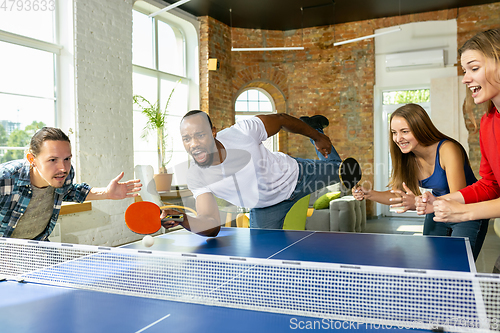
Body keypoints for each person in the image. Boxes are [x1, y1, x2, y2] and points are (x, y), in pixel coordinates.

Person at [160, 110, 342, 237]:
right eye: (187, 138)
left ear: (213, 132)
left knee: (343, 171)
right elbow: (210, 224)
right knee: (262, 261)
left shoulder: (243, 132)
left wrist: (317, 137)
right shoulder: (196, 176)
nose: (193, 144)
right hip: (265, 208)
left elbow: (281, 119)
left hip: (296, 177)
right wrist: (180, 218)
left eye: (200, 135)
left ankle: (315, 127)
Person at [352, 103, 488, 260]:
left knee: (458, 267)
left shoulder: (448, 149)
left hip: (467, 211)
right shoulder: (406, 156)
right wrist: (369, 194)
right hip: (436, 210)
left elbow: (458, 198)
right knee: (433, 263)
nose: (398, 138)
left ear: (420, 128)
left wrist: (417, 202)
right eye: (394, 133)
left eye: (404, 131)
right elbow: (398, 196)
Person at [415, 28, 500, 272]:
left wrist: (463, 213)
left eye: (474, 68)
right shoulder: (488, 123)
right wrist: (442, 201)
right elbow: (491, 185)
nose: (465, 79)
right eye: (465, 71)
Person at [0, 127, 142, 240]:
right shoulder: (5, 178)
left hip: (38, 244)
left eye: (67, 159)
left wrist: (107, 193)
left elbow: (69, 192)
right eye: (53, 160)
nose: (63, 168)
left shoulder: (63, 175)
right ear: (32, 159)